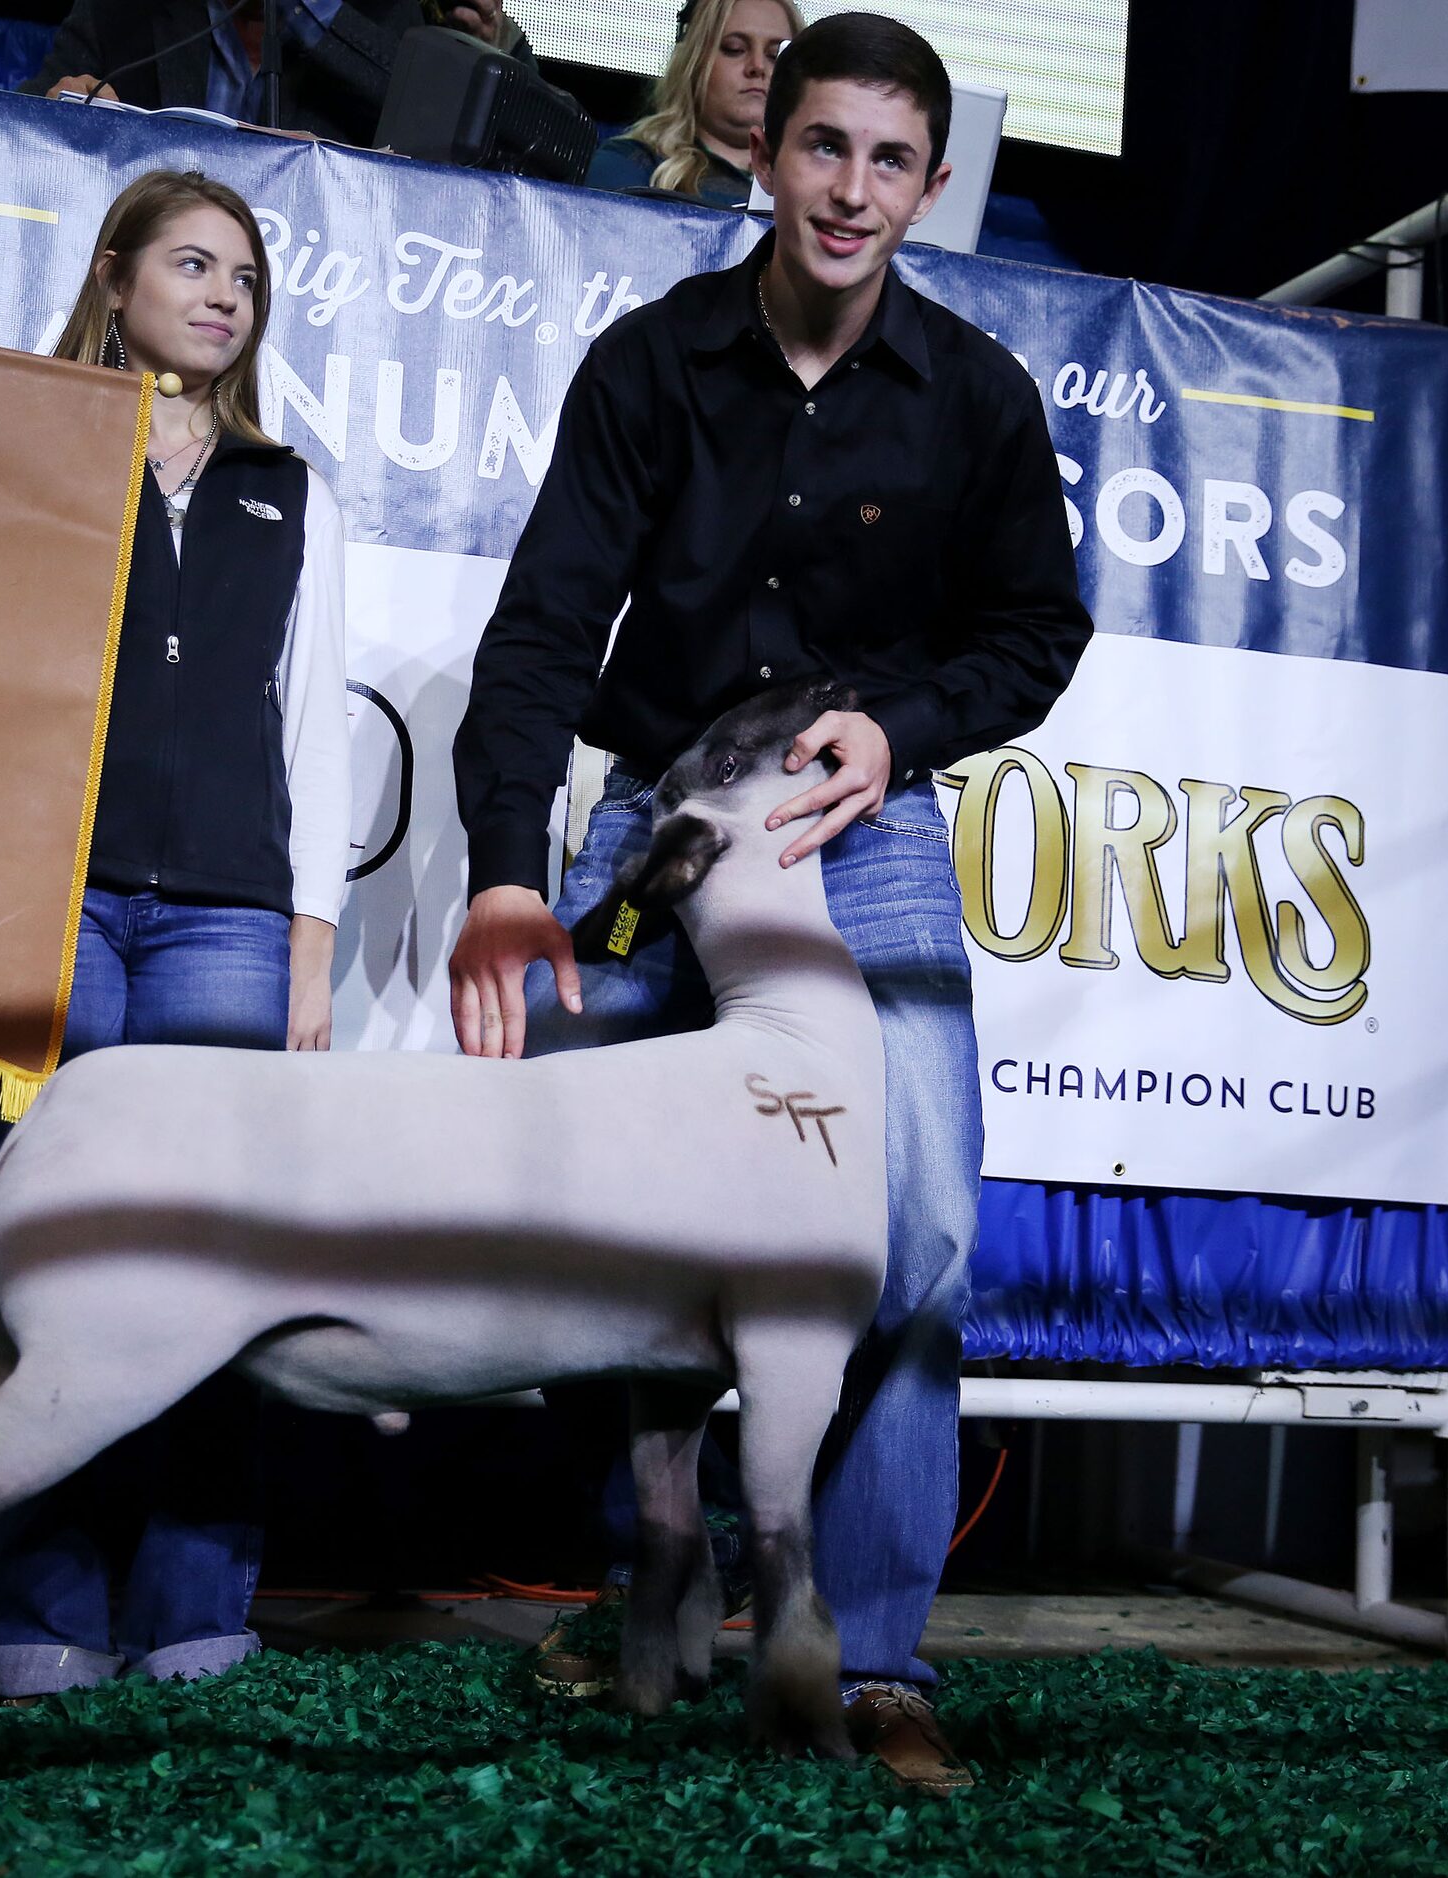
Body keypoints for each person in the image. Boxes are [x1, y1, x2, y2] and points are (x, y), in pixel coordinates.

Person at [446, 13, 1092, 1795]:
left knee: (916, 1226)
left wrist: (899, 728)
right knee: (593, 1209)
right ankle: (646, 1588)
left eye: (891, 161)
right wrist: (513, 868)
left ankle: (871, 1650)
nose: (852, 190)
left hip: (849, 827)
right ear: (762, 152)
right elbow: (539, 637)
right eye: (825, 148)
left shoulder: (974, 394)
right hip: (661, 817)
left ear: (931, 186)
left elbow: (1037, 635)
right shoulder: (651, 365)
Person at [0, 170, 351, 1696]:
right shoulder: (22, 438)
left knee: (206, 1267)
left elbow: (313, 730)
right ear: (117, 275)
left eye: (247, 279)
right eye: (194, 264)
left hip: (223, 914)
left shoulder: (295, 489)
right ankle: (43, 1611)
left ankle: (198, 1605)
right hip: (48, 898)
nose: (224, 295)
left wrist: (313, 942)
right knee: (54, 1265)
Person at [32, 0, 531, 144]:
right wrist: (58, 114)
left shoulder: (405, 18)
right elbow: (25, 117)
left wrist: (312, 15)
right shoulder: (120, 12)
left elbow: (515, 137)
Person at [585, 0, 800, 209]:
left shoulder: (819, 186)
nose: (758, 66)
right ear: (693, 63)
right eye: (734, 49)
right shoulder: (630, 163)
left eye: (775, 55)